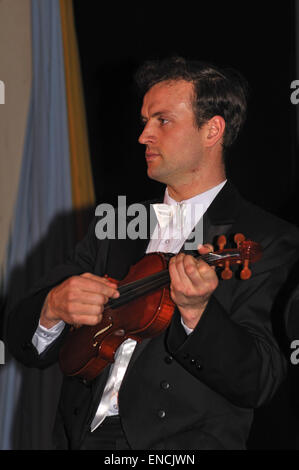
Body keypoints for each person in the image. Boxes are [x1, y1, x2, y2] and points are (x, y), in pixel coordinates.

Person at [7, 57, 299, 450]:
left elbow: (259, 380)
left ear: (212, 130)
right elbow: (21, 336)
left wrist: (198, 314)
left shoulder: (271, 239)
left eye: (162, 121)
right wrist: (52, 308)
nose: (143, 135)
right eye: (144, 121)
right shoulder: (114, 224)